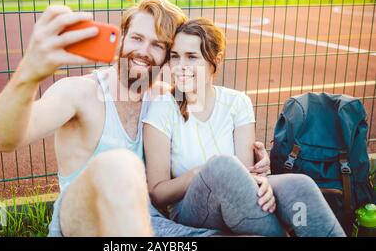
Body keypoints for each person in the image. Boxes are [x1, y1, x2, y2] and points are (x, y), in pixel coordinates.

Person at [0, 0, 270, 237]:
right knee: (120, 166)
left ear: (168, 57)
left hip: (150, 224)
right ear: (122, 38)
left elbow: (212, 131)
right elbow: (3, 139)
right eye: (137, 38)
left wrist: (253, 163)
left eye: (158, 45)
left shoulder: (165, 100)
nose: (144, 52)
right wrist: (29, 74)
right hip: (84, 220)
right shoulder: (79, 93)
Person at [143, 18, 346, 237]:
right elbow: (158, 193)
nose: (180, 66)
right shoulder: (162, 108)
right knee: (222, 167)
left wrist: (262, 183)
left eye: (192, 57)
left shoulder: (237, 102)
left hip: (240, 200)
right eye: (175, 56)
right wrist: (200, 173)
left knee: (299, 186)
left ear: (216, 60)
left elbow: (247, 175)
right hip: (189, 209)